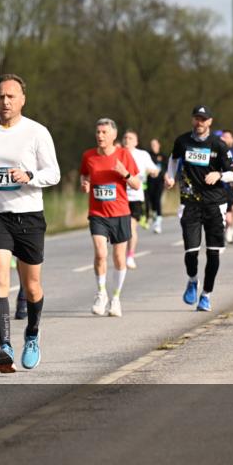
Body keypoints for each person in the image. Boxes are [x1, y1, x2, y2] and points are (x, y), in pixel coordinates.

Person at [0, 74, 60, 372]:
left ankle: (32, 334)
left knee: (32, 287)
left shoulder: (37, 132)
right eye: (0, 96)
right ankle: (4, 345)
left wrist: (30, 176)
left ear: (22, 100)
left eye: (11, 96)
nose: (5, 102)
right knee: (0, 281)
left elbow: (54, 174)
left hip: (30, 215)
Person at [164, 105, 233, 312]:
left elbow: (232, 173)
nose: (199, 123)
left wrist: (219, 175)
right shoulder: (182, 141)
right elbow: (173, 159)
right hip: (190, 203)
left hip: (214, 203)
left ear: (210, 122)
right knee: (191, 252)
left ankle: (206, 295)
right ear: (192, 120)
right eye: (196, 118)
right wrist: (169, 177)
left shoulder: (219, 145)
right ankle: (193, 280)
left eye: (203, 119)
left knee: (213, 253)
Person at [81, 119, 141, 317]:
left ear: (114, 135)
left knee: (118, 257)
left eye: (104, 132)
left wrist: (124, 173)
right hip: (97, 214)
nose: (100, 136)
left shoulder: (124, 155)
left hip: (120, 213)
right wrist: (85, 184)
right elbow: (84, 175)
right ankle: (101, 294)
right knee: (100, 253)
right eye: (98, 132)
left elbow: (136, 185)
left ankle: (115, 299)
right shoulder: (88, 155)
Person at [122, 130, 157, 269]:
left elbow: (153, 169)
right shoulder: (117, 153)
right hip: (119, 197)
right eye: (125, 137)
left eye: (130, 138)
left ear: (136, 142)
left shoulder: (142, 155)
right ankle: (120, 254)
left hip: (135, 196)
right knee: (119, 229)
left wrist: (154, 172)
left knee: (131, 228)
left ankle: (130, 256)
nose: (127, 140)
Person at [146, 138, 166, 234]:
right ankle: (154, 216)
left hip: (160, 182)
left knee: (157, 199)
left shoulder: (163, 156)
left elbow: (165, 169)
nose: (153, 146)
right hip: (150, 181)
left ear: (159, 145)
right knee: (151, 201)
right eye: (151, 145)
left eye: (155, 144)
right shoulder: (148, 155)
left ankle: (158, 222)